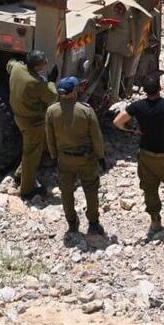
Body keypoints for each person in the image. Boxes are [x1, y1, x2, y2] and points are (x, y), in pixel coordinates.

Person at [113, 75, 164, 235]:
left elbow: (117, 122)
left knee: (149, 187)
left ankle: (155, 220)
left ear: (144, 91)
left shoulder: (137, 106)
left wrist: (132, 130)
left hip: (146, 155)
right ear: (160, 88)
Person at [45, 77, 106, 236]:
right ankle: (93, 223)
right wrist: (101, 157)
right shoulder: (86, 110)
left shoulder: (52, 111)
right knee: (91, 189)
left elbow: (50, 138)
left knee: (66, 191)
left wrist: (53, 157)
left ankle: (71, 223)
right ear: (73, 92)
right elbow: (96, 138)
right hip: (86, 159)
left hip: (64, 159)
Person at [8, 50, 57, 199]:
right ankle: (27, 191)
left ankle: (19, 175)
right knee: (32, 154)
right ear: (37, 67)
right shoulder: (37, 82)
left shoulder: (16, 68)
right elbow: (52, 95)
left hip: (18, 116)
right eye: (43, 64)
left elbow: (9, 63)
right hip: (32, 122)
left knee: (31, 148)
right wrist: (51, 81)